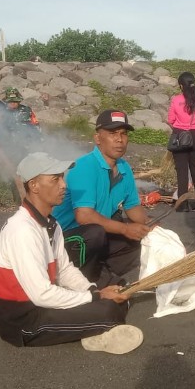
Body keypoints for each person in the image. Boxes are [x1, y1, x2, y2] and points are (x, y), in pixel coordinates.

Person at [0, 151, 142, 354]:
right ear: (34, 186)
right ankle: (98, 330)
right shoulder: (22, 230)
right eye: (55, 179)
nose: (64, 185)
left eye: (62, 177)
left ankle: (95, 328)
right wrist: (96, 298)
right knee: (109, 309)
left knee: (117, 292)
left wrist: (94, 291)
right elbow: (42, 294)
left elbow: (65, 270)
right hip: (24, 320)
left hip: (40, 305)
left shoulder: (51, 223)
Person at [53, 110, 152, 283]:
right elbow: (84, 217)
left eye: (123, 134)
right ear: (98, 138)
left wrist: (149, 225)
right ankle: (82, 280)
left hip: (93, 237)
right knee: (97, 231)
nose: (119, 139)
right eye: (112, 133)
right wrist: (125, 229)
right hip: (65, 239)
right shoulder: (84, 166)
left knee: (142, 241)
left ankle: (98, 271)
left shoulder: (124, 168)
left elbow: (133, 207)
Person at [166, 72, 195, 207]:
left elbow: (170, 120)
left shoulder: (176, 99)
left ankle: (182, 205)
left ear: (181, 86)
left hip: (180, 135)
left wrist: (179, 128)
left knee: (182, 172)